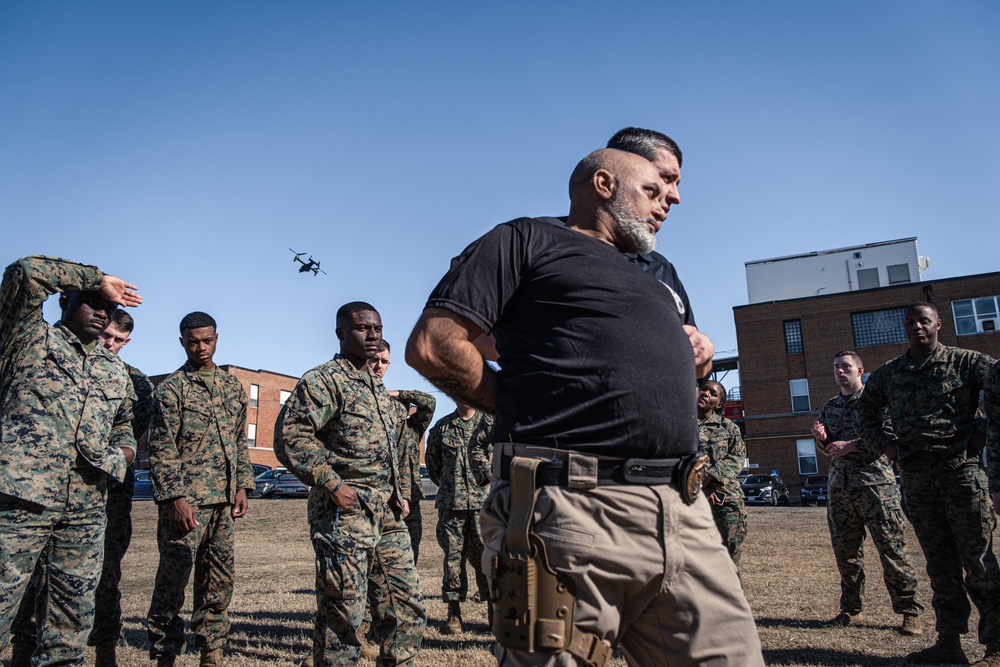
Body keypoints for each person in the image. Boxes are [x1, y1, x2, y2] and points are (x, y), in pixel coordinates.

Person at [406, 148, 763, 666]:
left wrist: (701, 357)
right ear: (604, 184)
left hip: (684, 512)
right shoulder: (527, 240)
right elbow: (435, 344)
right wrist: (513, 400)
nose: (670, 200)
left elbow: (677, 373)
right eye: (652, 189)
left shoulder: (657, 277)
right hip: (570, 507)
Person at [0, 255, 141, 667]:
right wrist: (97, 280)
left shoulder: (114, 371)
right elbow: (26, 273)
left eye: (109, 307)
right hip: (20, 501)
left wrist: (121, 455)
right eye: (92, 302)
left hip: (84, 509)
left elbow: (124, 426)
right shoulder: (28, 338)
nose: (102, 312)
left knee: (70, 626)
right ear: (65, 300)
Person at [274, 302, 425, 667]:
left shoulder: (377, 388)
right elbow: (290, 437)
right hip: (345, 515)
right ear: (341, 333)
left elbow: (392, 448)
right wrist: (332, 483)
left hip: (387, 515)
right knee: (343, 616)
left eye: (377, 328)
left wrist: (399, 493)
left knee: (407, 609)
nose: (372, 335)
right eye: (362, 328)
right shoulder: (324, 381)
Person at [856, 302, 1000, 666]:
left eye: (924, 321)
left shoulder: (967, 362)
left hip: (961, 474)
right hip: (917, 478)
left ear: (938, 324)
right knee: (939, 563)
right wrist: (887, 447)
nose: (917, 327)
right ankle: (949, 642)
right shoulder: (890, 373)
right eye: (910, 322)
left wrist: (980, 435)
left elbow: (997, 391)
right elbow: (864, 411)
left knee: (979, 562)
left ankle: (997, 646)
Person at [146, 311, 255, 667]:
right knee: (172, 582)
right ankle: (165, 655)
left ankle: (211, 653)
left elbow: (239, 442)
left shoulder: (232, 387)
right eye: (193, 342)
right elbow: (161, 449)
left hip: (223, 504)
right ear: (182, 342)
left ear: (216, 339)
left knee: (218, 581)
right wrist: (175, 499)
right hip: (186, 505)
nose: (201, 348)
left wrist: (242, 486)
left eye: (207, 341)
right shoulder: (171, 390)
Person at [811, 350, 923, 636]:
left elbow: (891, 436)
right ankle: (851, 608)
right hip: (840, 487)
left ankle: (910, 611)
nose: (840, 371)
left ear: (860, 371)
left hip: (875, 486)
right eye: (836, 367)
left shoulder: (876, 403)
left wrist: (852, 445)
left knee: (891, 548)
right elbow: (829, 451)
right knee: (846, 553)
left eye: (845, 367)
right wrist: (823, 440)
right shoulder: (830, 407)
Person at [425, 401, 493, 634]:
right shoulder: (442, 428)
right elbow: (433, 466)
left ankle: (493, 608)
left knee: (487, 558)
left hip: (483, 506)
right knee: (453, 561)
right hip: (452, 506)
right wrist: (451, 487)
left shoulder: (489, 425)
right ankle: (454, 613)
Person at [368, 339, 436, 563]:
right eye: (375, 360)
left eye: (384, 361)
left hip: (410, 497)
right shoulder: (367, 410)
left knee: (410, 552)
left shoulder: (413, 428)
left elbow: (429, 402)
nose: (379, 365)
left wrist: (397, 394)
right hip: (381, 495)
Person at [696, 380, 748, 568]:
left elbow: (737, 458)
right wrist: (699, 488)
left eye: (713, 393)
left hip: (724, 500)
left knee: (728, 560)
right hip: (688, 498)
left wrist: (710, 475)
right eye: (704, 389)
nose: (706, 393)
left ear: (718, 404)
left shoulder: (729, 428)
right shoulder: (679, 425)